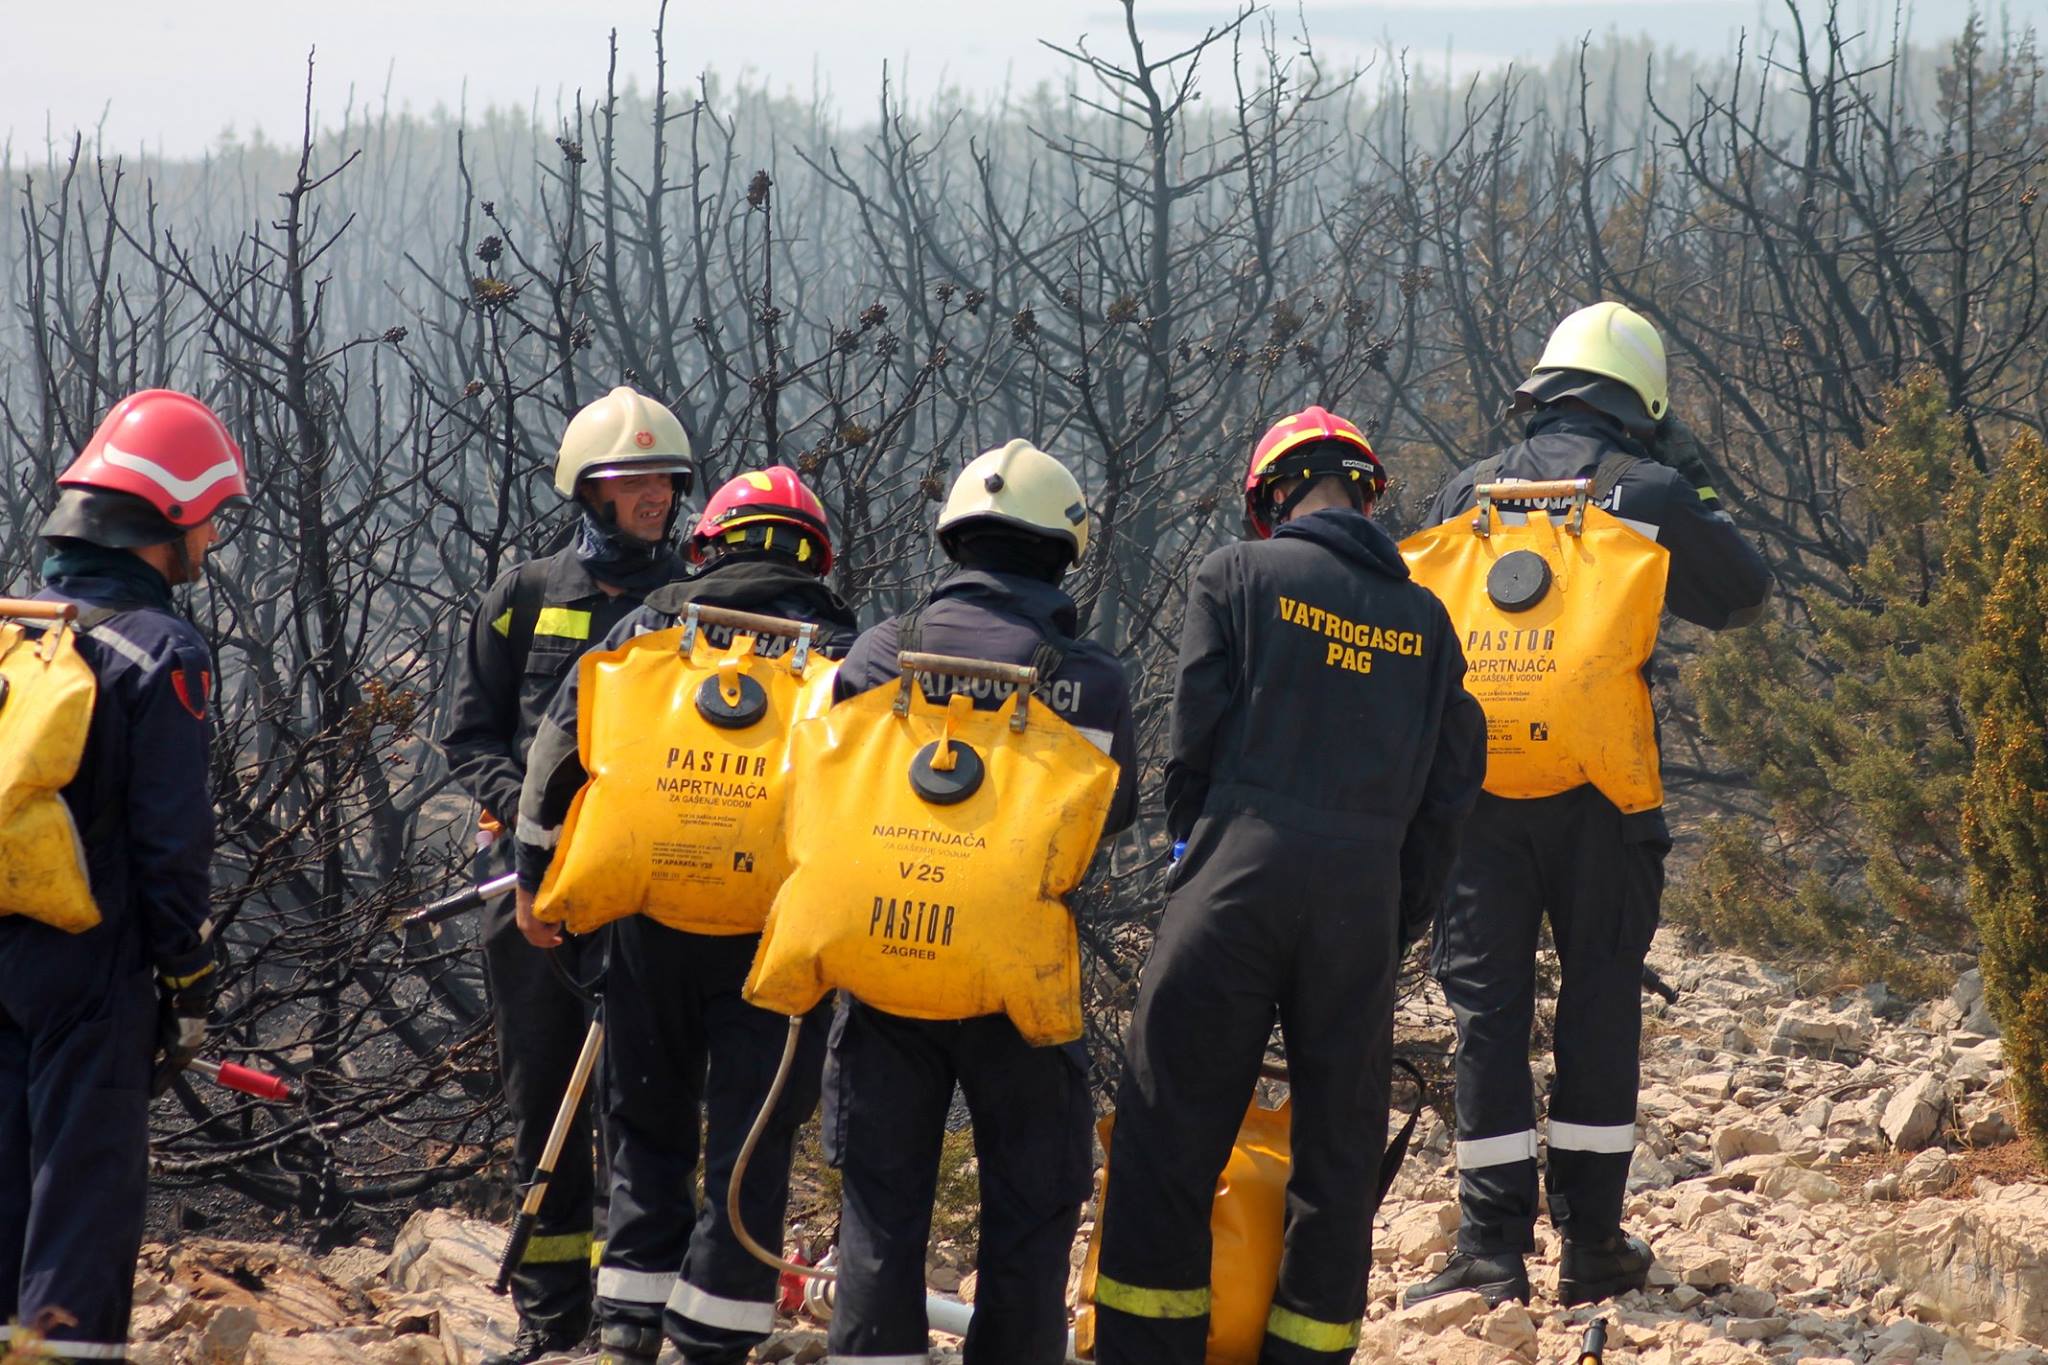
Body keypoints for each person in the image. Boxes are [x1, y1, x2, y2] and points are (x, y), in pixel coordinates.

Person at [1090, 405, 1487, 1364]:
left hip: (1235, 874)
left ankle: (1155, 1349)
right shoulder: (1428, 621)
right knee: (1337, 1160)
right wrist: (1395, 917)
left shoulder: (1237, 574)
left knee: (1170, 1129)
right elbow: (1446, 792)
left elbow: (1195, 748)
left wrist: (1200, 863)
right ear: (1366, 494)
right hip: (1362, 899)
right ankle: (1307, 1353)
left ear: (1271, 498)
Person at [1401, 302, 1771, 1310]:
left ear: (1540, 391)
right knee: (1598, 1000)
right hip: (1602, 795)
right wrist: (1691, 481)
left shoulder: (1467, 490)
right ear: (1640, 406)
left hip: (1476, 795)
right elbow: (1741, 591)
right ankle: (1591, 1243)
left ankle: (1487, 1247)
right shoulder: (1643, 488)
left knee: (1485, 1011)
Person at [514, 466, 859, 1365]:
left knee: (645, 1120)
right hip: (774, 938)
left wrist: (534, 873)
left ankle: (627, 1319)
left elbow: (563, 748)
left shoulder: (653, 623)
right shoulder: (844, 650)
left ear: (709, 543)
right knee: (750, 1139)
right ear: (815, 555)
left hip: (648, 919)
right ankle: (715, 1333)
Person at [822, 440, 1137, 1365]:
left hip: (888, 962)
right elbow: (1107, 816)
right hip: (1020, 980)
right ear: (1061, 551)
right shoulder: (1090, 678)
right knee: (1032, 1204)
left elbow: (832, 791)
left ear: (956, 540)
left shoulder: (877, 652)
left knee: (882, 1200)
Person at [439, 385, 694, 1363]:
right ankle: (552, 1317)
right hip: (529, 891)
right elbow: (468, 735)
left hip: (646, 892)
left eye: (666, 481)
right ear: (589, 491)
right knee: (545, 1097)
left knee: (647, 1100)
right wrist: (543, 816)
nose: (655, 498)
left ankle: (643, 1309)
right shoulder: (526, 596)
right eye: (635, 481)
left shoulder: (692, 605)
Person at [1, 390, 248, 1361]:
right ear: (165, 522)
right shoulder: (160, 652)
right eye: (209, 518)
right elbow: (170, 845)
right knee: (82, 1196)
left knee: (7, 1184)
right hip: (92, 970)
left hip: (6, 942)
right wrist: (186, 976)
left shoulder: (24, 629)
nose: (214, 538)